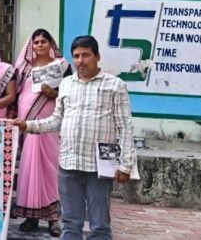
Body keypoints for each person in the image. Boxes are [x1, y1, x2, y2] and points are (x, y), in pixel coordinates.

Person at [14, 35, 135, 240]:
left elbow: (125, 126)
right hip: (69, 162)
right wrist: (28, 125)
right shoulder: (67, 84)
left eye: (86, 55)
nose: (80, 61)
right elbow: (56, 120)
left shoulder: (115, 85)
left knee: (99, 225)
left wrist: (126, 164)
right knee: (70, 223)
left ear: (97, 56)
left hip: (99, 165)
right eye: (76, 56)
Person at [12, 29, 72, 237]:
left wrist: (54, 94)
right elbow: (18, 93)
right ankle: (31, 217)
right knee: (30, 166)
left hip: (50, 120)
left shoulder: (62, 66)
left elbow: (71, 93)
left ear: (51, 44)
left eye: (43, 42)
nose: (39, 45)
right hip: (27, 120)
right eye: (36, 42)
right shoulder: (24, 68)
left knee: (49, 168)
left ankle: (53, 218)